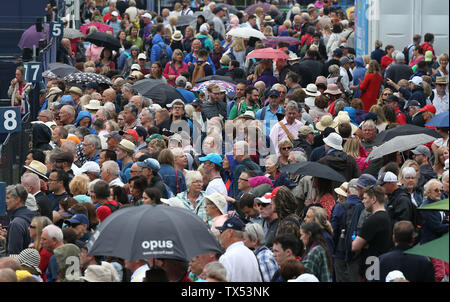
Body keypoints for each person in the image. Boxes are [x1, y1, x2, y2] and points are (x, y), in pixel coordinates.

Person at [352, 185, 393, 280]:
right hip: (382, 264)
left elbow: (355, 246)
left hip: (371, 266)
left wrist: (363, 244)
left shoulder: (373, 220)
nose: (363, 201)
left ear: (374, 199)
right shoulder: (387, 217)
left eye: (365, 198)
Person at [217, 217, 262, 282]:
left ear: (230, 232)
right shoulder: (250, 253)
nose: (220, 235)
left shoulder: (227, 257)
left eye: (221, 231)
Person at [3, 185, 37, 255]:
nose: (5, 201)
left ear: (18, 200)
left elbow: (13, 255)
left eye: (8, 198)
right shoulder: (33, 217)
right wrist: (8, 236)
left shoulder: (16, 223)